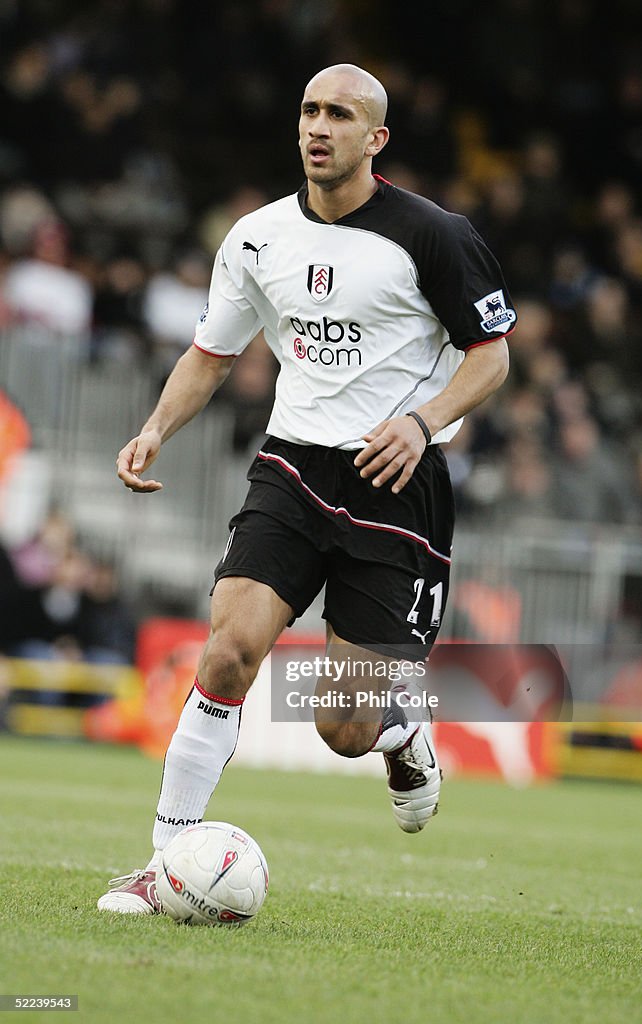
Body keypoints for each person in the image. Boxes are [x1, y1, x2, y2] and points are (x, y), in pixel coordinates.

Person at [98, 64, 515, 914]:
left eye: (340, 114)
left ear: (376, 139)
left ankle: (398, 729)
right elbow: (212, 352)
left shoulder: (432, 236)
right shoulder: (255, 237)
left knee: (341, 728)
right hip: (291, 465)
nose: (318, 126)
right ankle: (164, 859)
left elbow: (492, 357)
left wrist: (423, 420)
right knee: (226, 652)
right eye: (309, 111)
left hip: (393, 482)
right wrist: (153, 429)